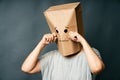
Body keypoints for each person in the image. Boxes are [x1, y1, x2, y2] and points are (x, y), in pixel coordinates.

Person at [21, 31, 105, 80]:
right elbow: (26, 69)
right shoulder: (51, 56)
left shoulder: (89, 53)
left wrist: (82, 40)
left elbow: (97, 68)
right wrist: (42, 44)